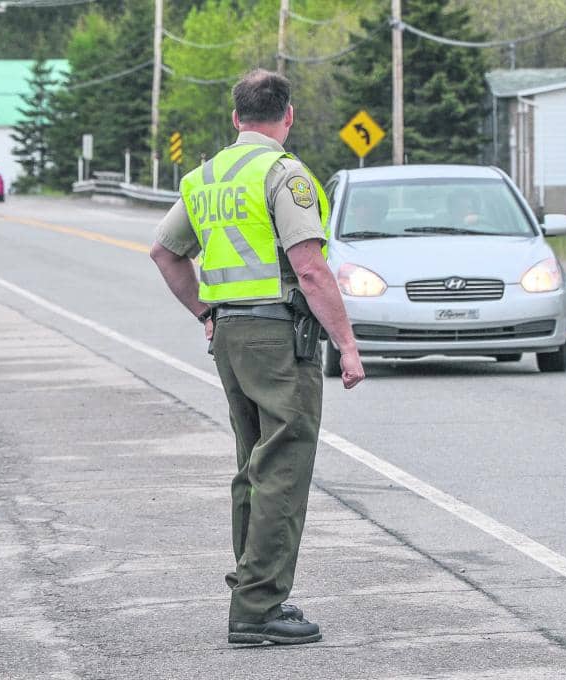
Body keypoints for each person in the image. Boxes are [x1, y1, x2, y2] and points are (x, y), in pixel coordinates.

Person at [149, 69, 365, 646]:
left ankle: (252, 585)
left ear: (236, 117)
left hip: (230, 336)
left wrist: (205, 313)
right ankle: (258, 608)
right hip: (277, 338)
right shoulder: (283, 174)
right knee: (284, 466)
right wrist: (346, 344)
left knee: (252, 465)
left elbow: (164, 254)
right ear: (287, 116)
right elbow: (311, 268)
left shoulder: (205, 177)